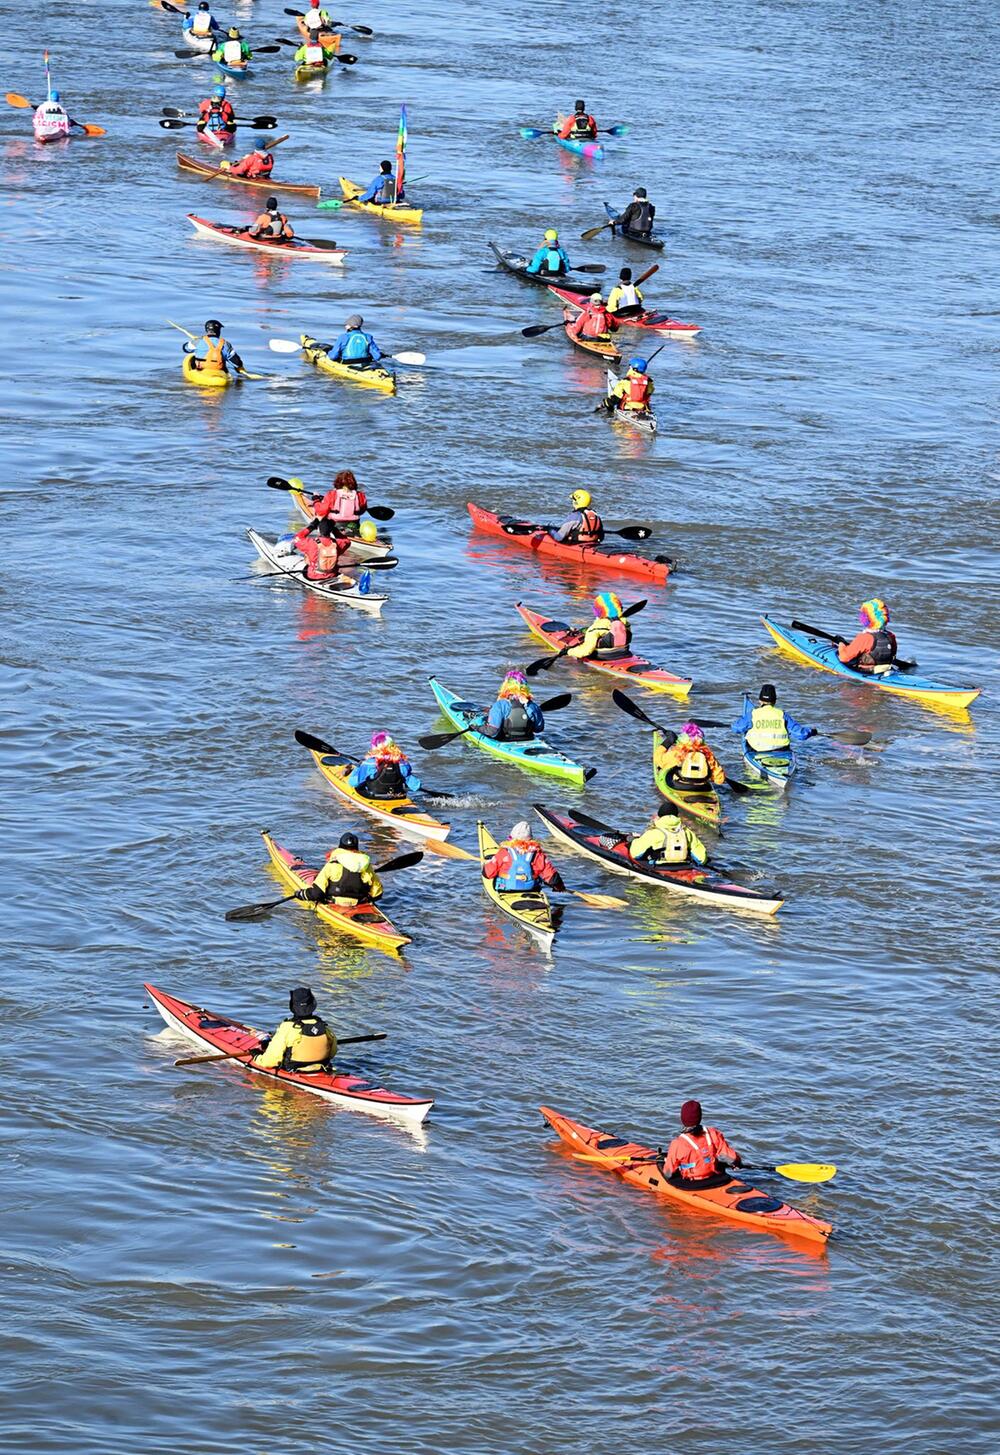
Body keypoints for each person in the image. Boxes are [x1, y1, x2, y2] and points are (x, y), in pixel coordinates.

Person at [252, 987, 336, 1073]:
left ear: (292, 1006)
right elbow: (332, 1053)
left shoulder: (287, 1028)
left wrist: (256, 1056)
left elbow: (269, 1062)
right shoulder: (325, 1027)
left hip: (293, 1070)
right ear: (312, 1005)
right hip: (321, 1068)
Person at [661, 1101, 742, 1184]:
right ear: (700, 1117)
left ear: (682, 1119)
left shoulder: (677, 1144)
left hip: (694, 1184)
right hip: (714, 1177)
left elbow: (668, 1173)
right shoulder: (713, 1134)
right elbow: (732, 1158)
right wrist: (737, 1163)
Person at [296, 832, 383, 906]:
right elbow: (377, 894)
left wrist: (302, 894)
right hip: (359, 904)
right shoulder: (366, 866)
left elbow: (317, 894)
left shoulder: (332, 865)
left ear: (340, 847)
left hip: (334, 904)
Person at [482, 821, 566, 894]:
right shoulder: (538, 854)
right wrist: (559, 887)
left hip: (505, 890)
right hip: (531, 889)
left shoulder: (504, 852)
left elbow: (487, 874)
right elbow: (552, 877)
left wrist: (487, 864)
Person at [732, 685, 816, 750]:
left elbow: (736, 728)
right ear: (775, 701)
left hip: (758, 751)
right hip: (781, 751)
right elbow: (801, 734)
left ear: (760, 701)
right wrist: (812, 731)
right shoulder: (782, 715)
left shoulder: (753, 714)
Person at [348, 732, 422, 800]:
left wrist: (357, 768)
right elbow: (416, 786)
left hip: (372, 797)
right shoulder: (403, 764)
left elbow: (353, 783)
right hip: (396, 797)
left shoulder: (368, 764)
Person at [629, 806, 707, 867]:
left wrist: (634, 840)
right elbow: (701, 859)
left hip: (660, 867)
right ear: (676, 816)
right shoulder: (687, 832)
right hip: (683, 866)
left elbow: (635, 854)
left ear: (660, 816)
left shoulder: (654, 832)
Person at [837, 598, 898, 673]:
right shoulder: (890, 636)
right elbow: (893, 655)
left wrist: (841, 644)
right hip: (885, 670)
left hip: (866, 671)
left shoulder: (864, 638)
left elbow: (843, 657)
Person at [656, 722, 726, 786]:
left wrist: (668, 742)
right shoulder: (708, 755)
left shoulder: (677, 753)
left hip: (681, 785)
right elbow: (720, 780)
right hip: (701, 788)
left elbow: (659, 760)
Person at [482, 670, 545, 742]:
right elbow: (539, 729)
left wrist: (476, 728)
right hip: (528, 739)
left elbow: (492, 732)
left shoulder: (499, 705)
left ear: (505, 686)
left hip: (504, 740)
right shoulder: (533, 706)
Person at [568, 593, 631, 660]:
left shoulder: (595, 628)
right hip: (624, 653)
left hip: (603, 656)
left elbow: (586, 651)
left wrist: (569, 652)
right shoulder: (625, 622)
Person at [304, 469, 368, 530]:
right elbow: (362, 511)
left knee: (320, 516)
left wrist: (316, 500)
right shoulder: (360, 495)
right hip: (354, 525)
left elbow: (320, 511)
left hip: (334, 526)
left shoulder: (332, 494)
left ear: (338, 482)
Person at [292, 516, 350, 580]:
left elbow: (297, 538)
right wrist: (334, 530)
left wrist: (311, 526)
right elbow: (347, 541)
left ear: (318, 529)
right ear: (330, 531)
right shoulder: (338, 543)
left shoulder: (311, 543)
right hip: (332, 574)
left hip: (313, 575)